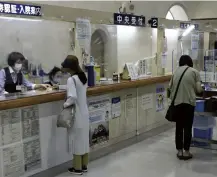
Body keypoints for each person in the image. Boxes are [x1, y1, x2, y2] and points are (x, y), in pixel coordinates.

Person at [169, 55, 203, 160]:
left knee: (179, 128)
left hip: (177, 103)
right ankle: (187, 152)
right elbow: (198, 90)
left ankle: (179, 151)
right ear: (190, 62)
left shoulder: (175, 72)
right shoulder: (194, 72)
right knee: (187, 127)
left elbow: (170, 87)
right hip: (189, 103)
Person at [61, 55, 89, 175]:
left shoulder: (71, 80)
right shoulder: (83, 77)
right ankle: (84, 165)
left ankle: (77, 168)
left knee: (76, 141)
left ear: (69, 68)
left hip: (76, 114)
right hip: (84, 112)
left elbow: (72, 97)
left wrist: (65, 105)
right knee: (84, 140)